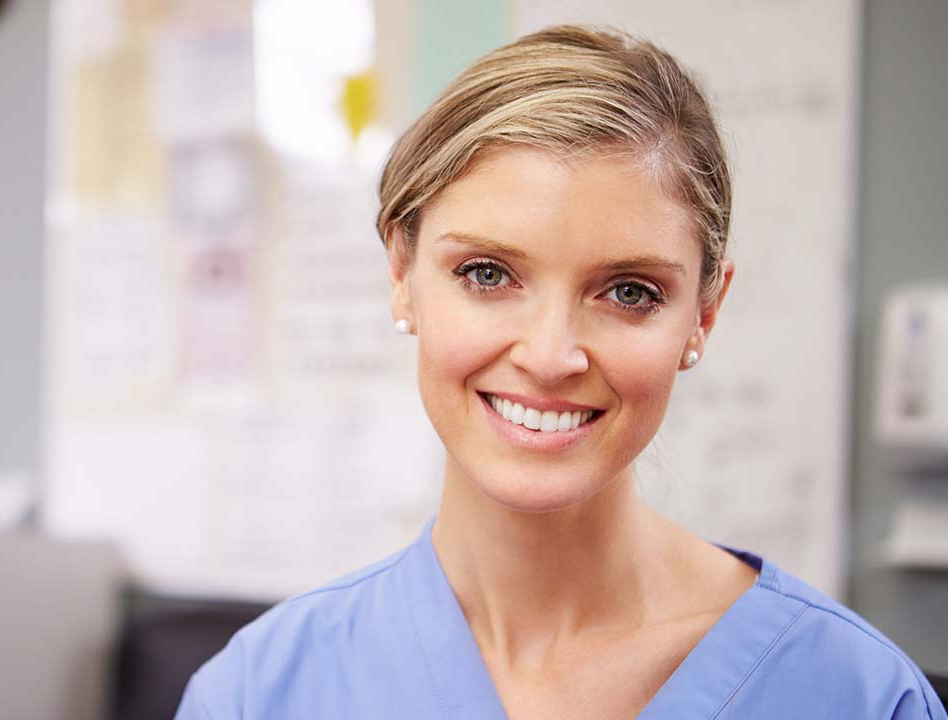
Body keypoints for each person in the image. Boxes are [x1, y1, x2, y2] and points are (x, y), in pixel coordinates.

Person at [174, 25, 948, 720]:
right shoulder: (256, 694)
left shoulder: (859, 697)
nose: (549, 356)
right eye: (485, 274)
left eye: (630, 292)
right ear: (402, 272)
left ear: (703, 315)